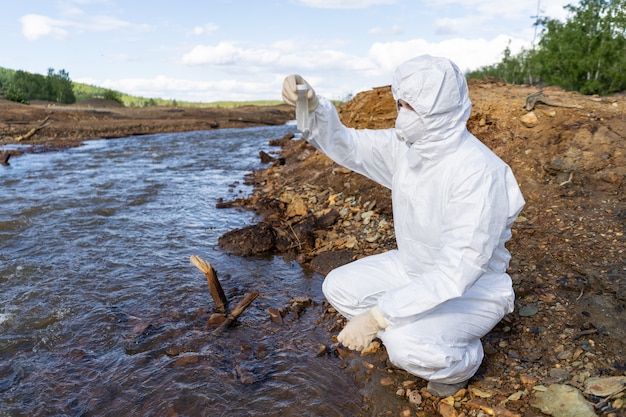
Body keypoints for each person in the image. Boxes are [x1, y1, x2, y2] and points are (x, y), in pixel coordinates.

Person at [281, 55, 525, 398]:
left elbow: (455, 272)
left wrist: (376, 319)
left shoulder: (478, 173)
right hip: (412, 268)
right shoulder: (409, 149)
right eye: (400, 103)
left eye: (409, 106)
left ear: (439, 111)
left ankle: (463, 361)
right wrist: (312, 103)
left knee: (403, 344)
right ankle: (416, 325)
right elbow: (348, 145)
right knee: (337, 286)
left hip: (474, 290)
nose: (401, 115)